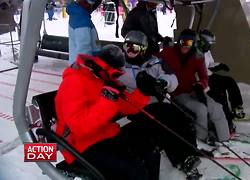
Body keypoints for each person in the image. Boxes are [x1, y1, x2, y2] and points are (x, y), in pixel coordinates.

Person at [55, 44, 160, 180]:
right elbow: (79, 127)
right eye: (114, 73)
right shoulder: (73, 82)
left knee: (149, 151)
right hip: (80, 145)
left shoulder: (99, 79)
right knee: (133, 170)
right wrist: (108, 100)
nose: (116, 77)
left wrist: (143, 92)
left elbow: (125, 107)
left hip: (106, 134)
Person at [118, 30, 202, 180]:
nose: (130, 51)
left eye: (135, 48)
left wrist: (162, 82)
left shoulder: (154, 62)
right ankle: (182, 157)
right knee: (165, 120)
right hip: (133, 107)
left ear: (143, 49)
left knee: (181, 116)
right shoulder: (119, 66)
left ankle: (190, 152)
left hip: (154, 101)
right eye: (127, 46)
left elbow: (171, 77)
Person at [157, 29, 230, 146]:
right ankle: (200, 140)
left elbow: (204, 77)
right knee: (200, 109)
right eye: (182, 42)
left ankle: (225, 139)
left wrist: (200, 86)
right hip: (177, 93)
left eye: (189, 43)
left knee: (216, 107)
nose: (185, 46)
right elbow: (152, 61)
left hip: (193, 90)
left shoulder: (197, 57)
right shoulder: (168, 53)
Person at [197, 29, 246, 133]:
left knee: (229, 81)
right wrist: (210, 70)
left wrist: (218, 65)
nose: (210, 46)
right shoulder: (195, 52)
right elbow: (197, 70)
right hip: (201, 80)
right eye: (209, 43)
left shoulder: (207, 51)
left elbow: (210, 64)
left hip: (209, 76)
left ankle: (237, 107)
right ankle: (227, 123)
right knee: (219, 94)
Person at [67, 0, 102, 65]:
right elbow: (83, 49)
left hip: (81, 64)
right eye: (92, 6)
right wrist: (88, 65)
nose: (93, 9)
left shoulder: (79, 16)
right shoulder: (82, 21)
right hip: (82, 68)